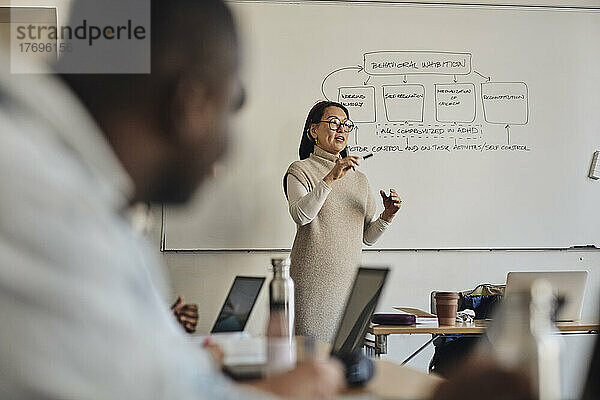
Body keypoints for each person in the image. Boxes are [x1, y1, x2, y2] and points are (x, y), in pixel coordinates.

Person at [0, 0, 344, 398]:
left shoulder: (75, 187)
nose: (227, 148)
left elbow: (147, 367)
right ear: (192, 102)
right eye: (230, 105)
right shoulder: (46, 205)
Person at [283, 101, 402, 342]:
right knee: (310, 358)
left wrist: (387, 216)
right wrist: (330, 178)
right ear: (313, 131)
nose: (341, 129)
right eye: (334, 123)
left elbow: (367, 237)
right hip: (312, 284)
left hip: (349, 284)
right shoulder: (300, 170)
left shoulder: (359, 179)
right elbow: (301, 215)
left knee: (345, 364)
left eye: (346, 125)